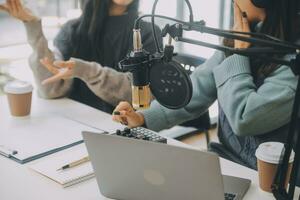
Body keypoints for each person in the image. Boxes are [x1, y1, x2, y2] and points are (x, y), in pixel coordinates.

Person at [112, 0, 299, 170]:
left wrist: (238, 55)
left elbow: (245, 119)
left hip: (269, 178)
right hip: (224, 161)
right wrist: (143, 118)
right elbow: (196, 90)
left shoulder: (293, 63)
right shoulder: (248, 36)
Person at [0, 0, 162, 113]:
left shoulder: (147, 32)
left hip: (122, 128)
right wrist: (33, 25)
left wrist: (85, 71)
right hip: (73, 123)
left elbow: (141, 97)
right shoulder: (72, 30)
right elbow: (50, 89)